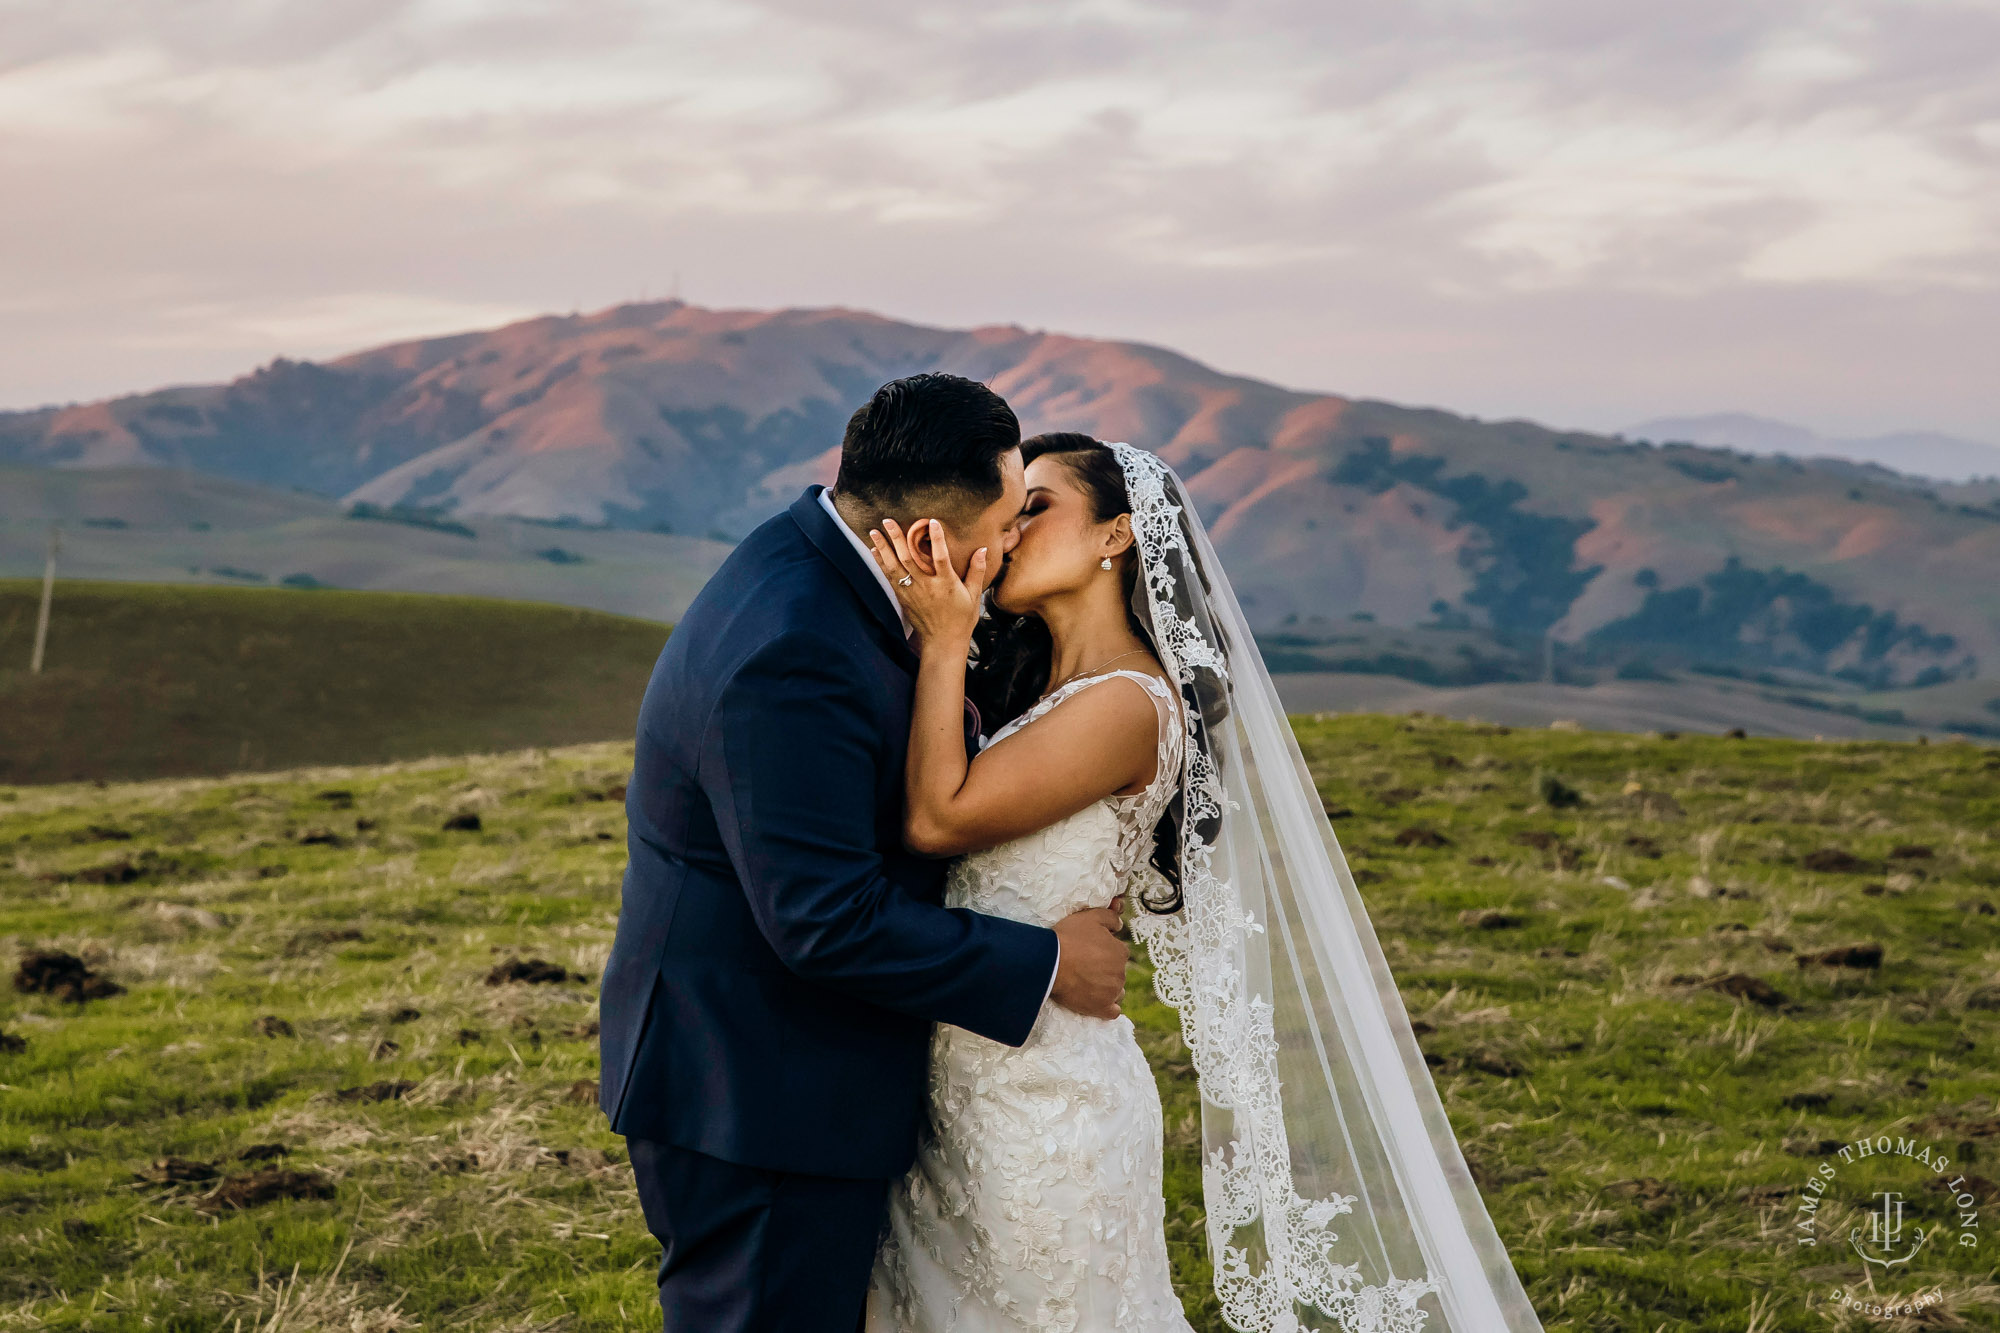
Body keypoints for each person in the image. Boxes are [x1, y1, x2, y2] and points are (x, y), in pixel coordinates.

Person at [863, 435, 1547, 1333]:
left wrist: (946, 637)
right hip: (957, 1094)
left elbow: (938, 821)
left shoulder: (1126, 703)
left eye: (1035, 507)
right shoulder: (1035, 695)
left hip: (1045, 1118)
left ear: (1116, 535)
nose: (1007, 529)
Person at [597, 377, 1133, 1333]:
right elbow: (824, 919)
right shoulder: (796, 646)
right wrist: (1047, 960)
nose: (1010, 543)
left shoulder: (810, 563)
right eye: (1008, 522)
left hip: (798, 1075)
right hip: (760, 1094)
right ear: (929, 541)